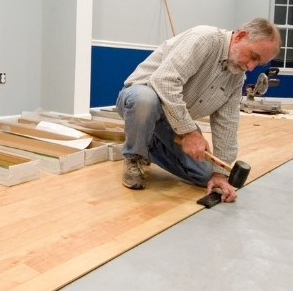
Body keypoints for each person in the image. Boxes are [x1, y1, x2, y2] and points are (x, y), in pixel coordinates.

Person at [115, 18, 281, 202]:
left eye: (258, 63)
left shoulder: (236, 77)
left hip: (172, 121)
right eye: (253, 56)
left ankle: (147, 145)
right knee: (146, 99)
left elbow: (227, 123)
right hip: (139, 100)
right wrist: (189, 132)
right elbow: (164, 81)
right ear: (241, 36)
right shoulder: (203, 39)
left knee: (204, 175)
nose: (251, 66)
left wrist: (219, 174)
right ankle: (134, 156)